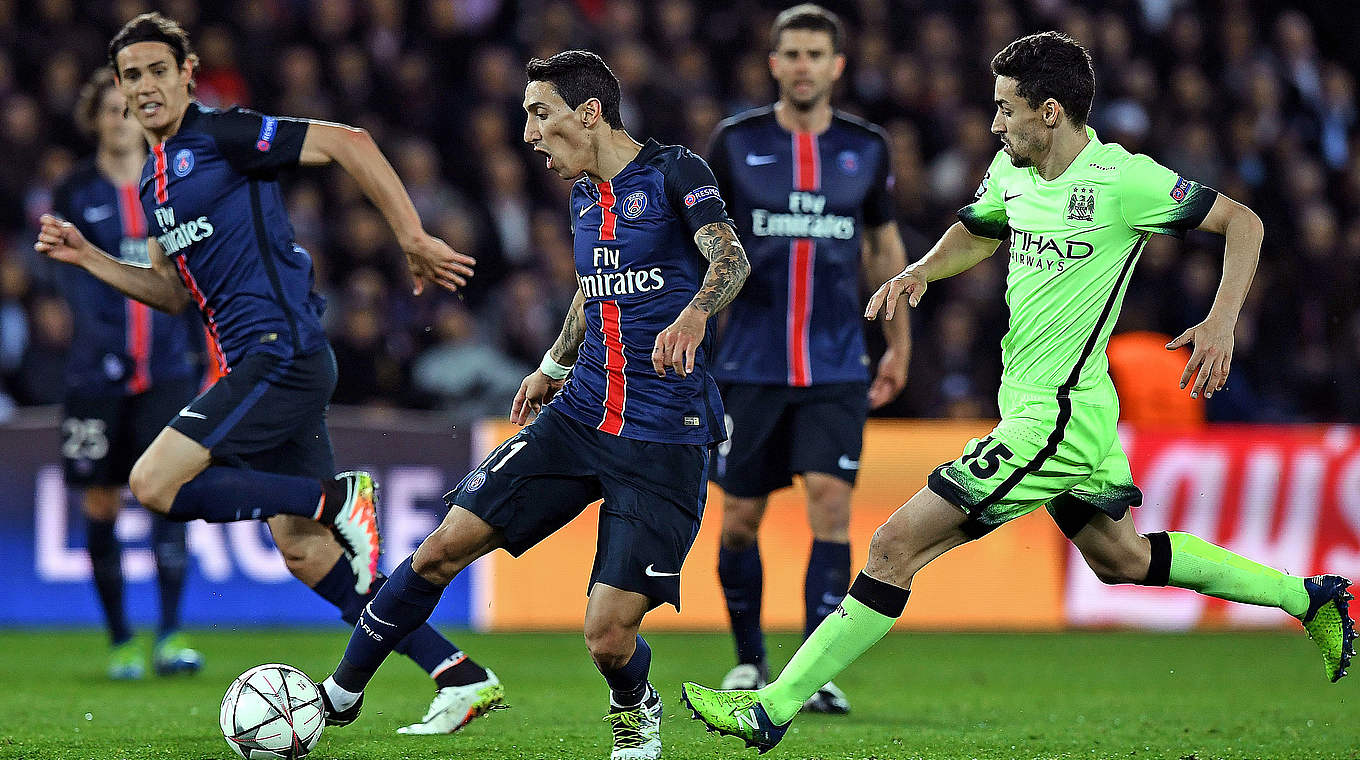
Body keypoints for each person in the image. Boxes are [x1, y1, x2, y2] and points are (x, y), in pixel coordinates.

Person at [680, 31, 1355, 753]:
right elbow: (977, 231)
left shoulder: (1123, 181)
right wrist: (919, 274)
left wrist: (1221, 321)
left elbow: (1242, 223)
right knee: (1121, 560)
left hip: (1055, 421)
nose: (995, 123)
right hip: (1065, 413)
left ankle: (772, 706)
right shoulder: (1012, 170)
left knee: (891, 546)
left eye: (1006, 109)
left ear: (1052, 112)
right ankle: (1308, 597)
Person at [34, 13, 500, 734]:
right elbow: (170, 292)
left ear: (188, 74)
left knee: (153, 483)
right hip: (272, 362)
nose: (147, 85)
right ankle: (456, 673)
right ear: (121, 93)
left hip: (277, 353)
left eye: (159, 69)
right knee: (303, 552)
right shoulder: (158, 184)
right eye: (132, 75)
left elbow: (350, 141)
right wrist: (87, 257)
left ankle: (333, 498)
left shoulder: (223, 136)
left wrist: (411, 235)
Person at [314, 50, 749, 760]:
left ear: (589, 113)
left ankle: (634, 702)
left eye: (538, 114)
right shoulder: (583, 194)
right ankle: (337, 696)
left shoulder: (676, 172)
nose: (528, 134)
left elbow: (729, 258)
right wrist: (553, 362)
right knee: (438, 550)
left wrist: (696, 314)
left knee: (608, 637)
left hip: (665, 434)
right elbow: (594, 285)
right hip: (579, 415)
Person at [703, 4, 910, 713]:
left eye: (815, 54)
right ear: (773, 63)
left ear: (837, 66)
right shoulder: (735, 143)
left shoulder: (867, 147)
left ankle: (812, 671)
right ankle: (748, 661)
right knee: (739, 519)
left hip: (837, 366)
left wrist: (898, 345)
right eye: (790, 53)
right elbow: (706, 248)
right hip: (749, 366)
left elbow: (885, 250)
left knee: (831, 506)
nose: (802, 66)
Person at [54, 66, 206, 680]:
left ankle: (170, 636)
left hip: (168, 371)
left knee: (167, 497)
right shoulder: (73, 192)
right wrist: (104, 345)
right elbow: (67, 279)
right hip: (95, 376)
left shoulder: (169, 185)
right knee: (100, 501)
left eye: (130, 108)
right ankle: (121, 640)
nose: (122, 119)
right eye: (111, 109)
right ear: (94, 119)